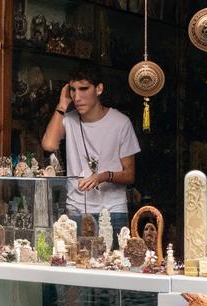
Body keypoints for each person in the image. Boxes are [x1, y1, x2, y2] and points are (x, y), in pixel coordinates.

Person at [41, 66, 139, 230]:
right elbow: (49, 144)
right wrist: (62, 104)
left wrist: (103, 176)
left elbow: (129, 175)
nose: (77, 97)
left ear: (99, 89)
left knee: (113, 256)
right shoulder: (69, 120)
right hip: (76, 209)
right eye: (73, 90)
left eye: (84, 89)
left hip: (112, 210)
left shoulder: (121, 122)